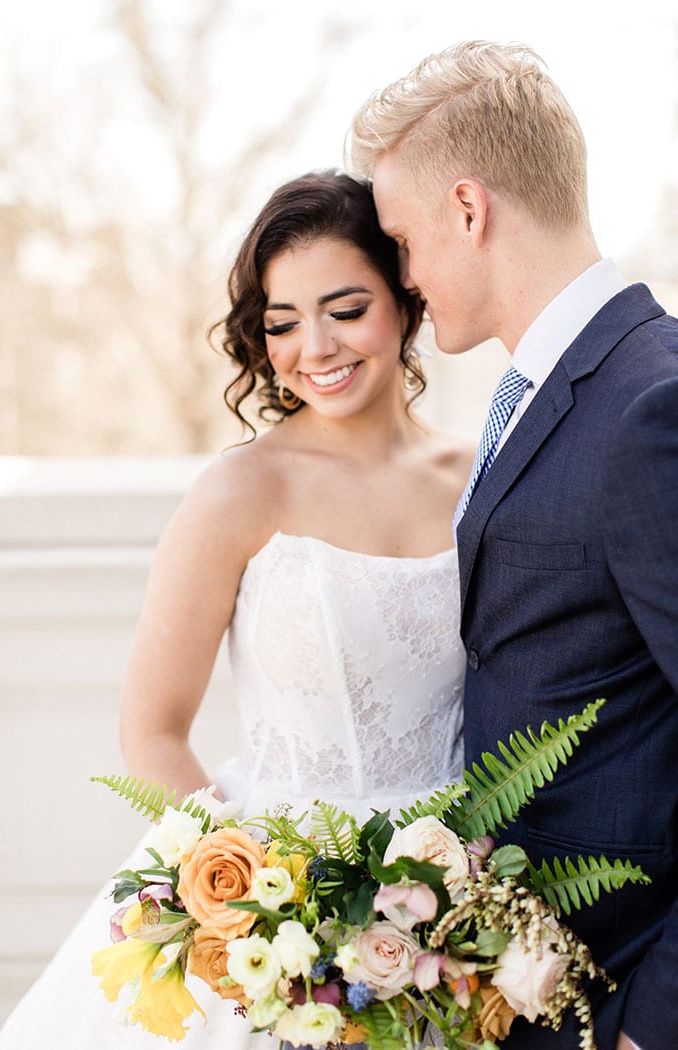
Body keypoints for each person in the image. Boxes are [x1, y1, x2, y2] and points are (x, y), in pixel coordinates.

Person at [0, 170, 471, 1049]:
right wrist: (257, 905)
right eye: (282, 323)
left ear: (405, 297)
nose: (313, 346)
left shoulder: (479, 482)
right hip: (271, 924)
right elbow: (154, 729)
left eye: (345, 308)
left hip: (450, 918)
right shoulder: (239, 492)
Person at [348, 40, 678, 1050]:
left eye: (402, 240)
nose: (402, 277)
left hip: (620, 995)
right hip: (517, 993)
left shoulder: (649, 407)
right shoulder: (522, 395)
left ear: (467, 208)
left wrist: (653, 1023)